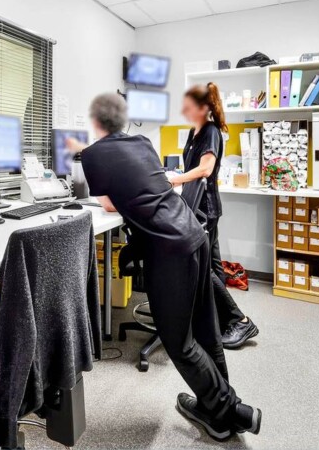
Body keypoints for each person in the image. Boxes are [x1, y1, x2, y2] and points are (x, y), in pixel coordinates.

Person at [78, 93, 261, 440]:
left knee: (180, 343)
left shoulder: (92, 154)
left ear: (97, 123)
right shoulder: (143, 142)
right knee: (206, 328)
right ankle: (215, 408)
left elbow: (110, 205)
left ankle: (230, 410)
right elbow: (153, 184)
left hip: (168, 250)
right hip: (194, 234)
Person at [168, 83, 260, 349]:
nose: (184, 110)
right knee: (214, 266)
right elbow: (192, 167)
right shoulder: (194, 132)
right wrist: (178, 177)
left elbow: (206, 169)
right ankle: (220, 320)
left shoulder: (210, 131)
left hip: (204, 209)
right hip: (197, 206)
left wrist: (174, 180)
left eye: (189, 106)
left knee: (203, 269)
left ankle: (240, 320)